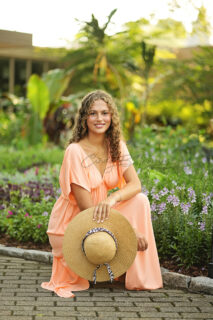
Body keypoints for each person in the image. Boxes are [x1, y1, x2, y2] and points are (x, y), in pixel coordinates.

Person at [41, 90, 163, 298]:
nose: (99, 119)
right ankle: (110, 263)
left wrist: (113, 197)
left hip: (101, 213)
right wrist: (130, 233)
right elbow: (87, 209)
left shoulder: (117, 147)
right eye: (93, 113)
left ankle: (140, 278)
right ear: (84, 118)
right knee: (124, 215)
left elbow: (135, 184)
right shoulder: (75, 151)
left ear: (111, 117)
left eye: (104, 113)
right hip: (73, 223)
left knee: (139, 201)